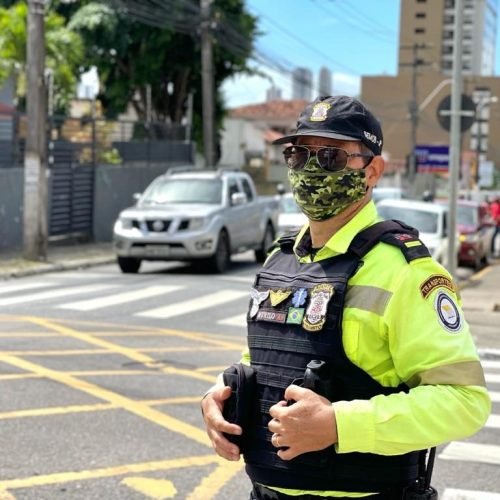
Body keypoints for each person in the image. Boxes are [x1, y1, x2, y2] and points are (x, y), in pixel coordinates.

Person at [201, 95, 491, 499]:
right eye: (299, 154)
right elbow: (262, 359)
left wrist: (339, 425)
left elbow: (465, 402)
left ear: (372, 171)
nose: (310, 169)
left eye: (331, 157)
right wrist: (220, 394)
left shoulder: (406, 271)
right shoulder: (279, 260)